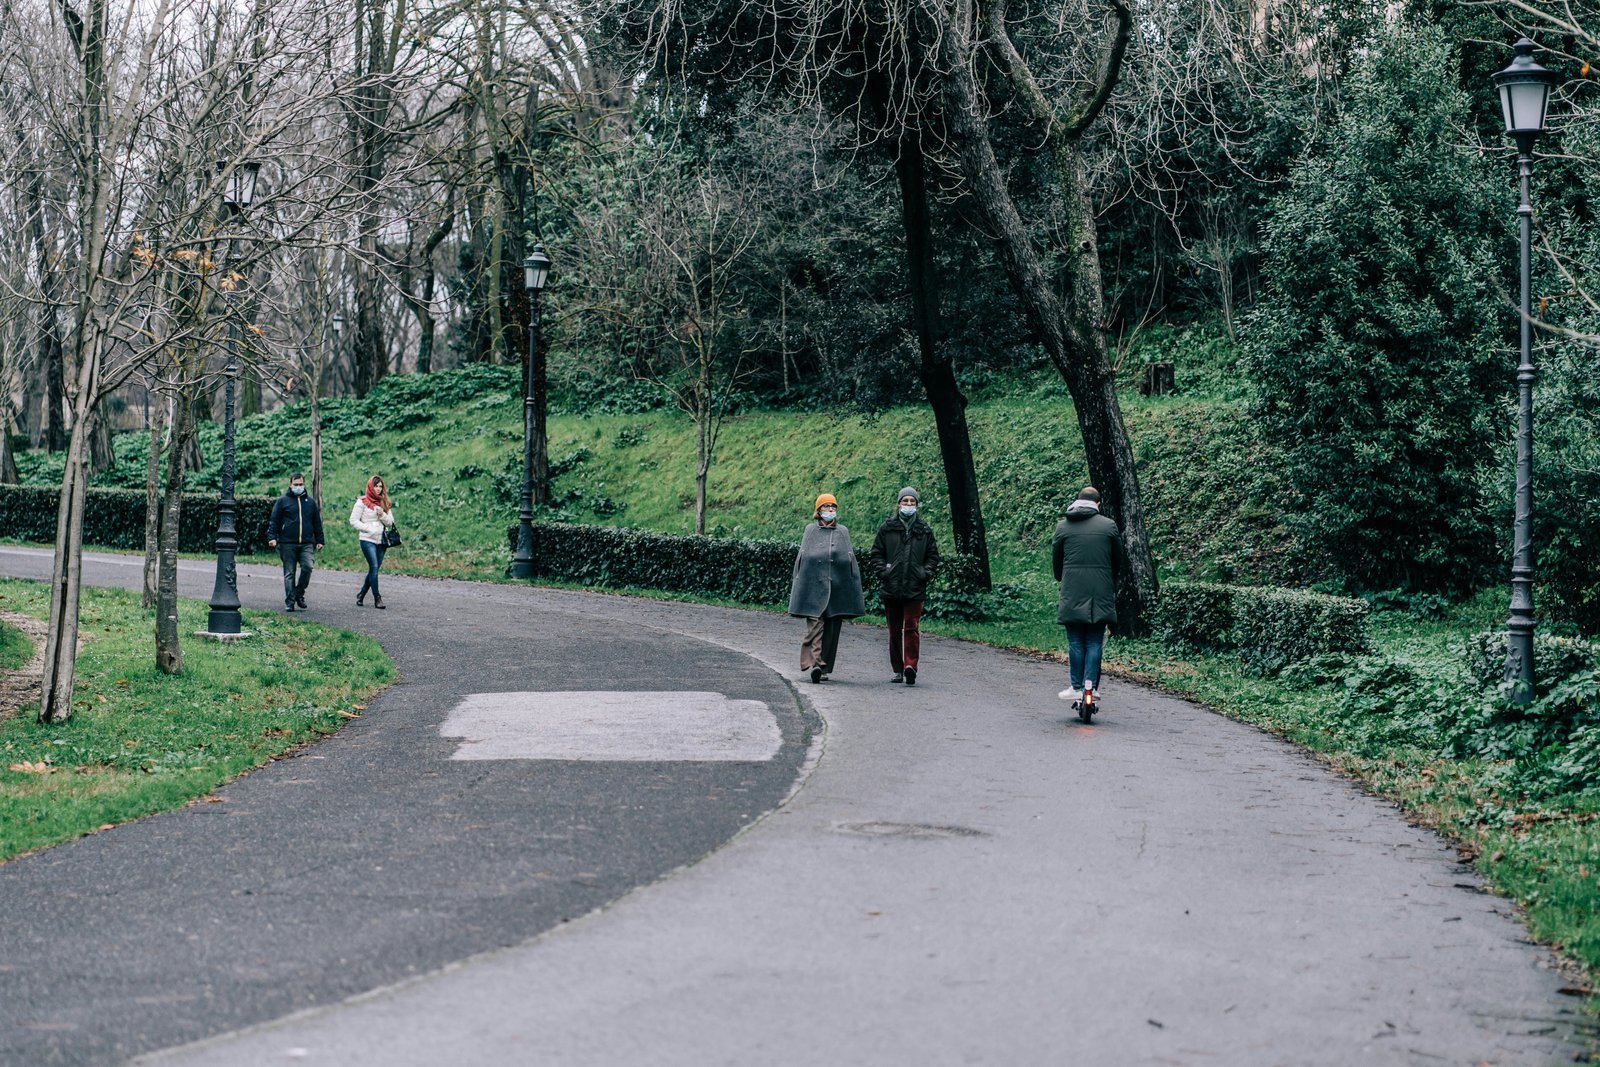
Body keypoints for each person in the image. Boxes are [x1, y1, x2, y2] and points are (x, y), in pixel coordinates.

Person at [1051, 486, 1126, 714]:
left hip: (1073, 590)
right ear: (1098, 505)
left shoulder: (1063, 527)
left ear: (1077, 501)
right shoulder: (1108, 526)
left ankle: (1076, 686)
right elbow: (1118, 560)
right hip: (1100, 592)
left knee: (1075, 642)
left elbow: (1056, 561)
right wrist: (1110, 580)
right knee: (1094, 641)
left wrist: (1062, 577)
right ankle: (1091, 686)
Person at [788, 493, 866, 684]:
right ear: (818, 510)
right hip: (813, 589)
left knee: (832, 629)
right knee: (815, 626)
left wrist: (851, 587)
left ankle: (824, 667)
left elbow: (849, 561)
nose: (830, 510)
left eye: (833, 507)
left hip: (836, 589)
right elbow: (802, 560)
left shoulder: (842, 532)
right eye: (826, 507)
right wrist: (800, 586)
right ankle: (815, 664)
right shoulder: (810, 531)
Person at [868, 486, 940, 686]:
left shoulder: (924, 530)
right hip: (891, 588)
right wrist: (884, 572)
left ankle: (910, 666)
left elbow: (933, 557)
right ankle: (897, 669)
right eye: (905, 501)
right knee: (894, 631)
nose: (909, 505)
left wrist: (924, 574)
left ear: (917, 505)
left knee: (912, 628)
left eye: (912, 502)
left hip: (914, 588)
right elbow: (876, 553)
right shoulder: (887, 528)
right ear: (898, 503)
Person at [266, 472, 324, 612]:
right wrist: (272, 537)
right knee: (289, 573)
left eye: (301, 484)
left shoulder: (310, 503)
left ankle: (299, 593)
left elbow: (317, 522)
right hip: (287, 544)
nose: (298, 487)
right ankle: (290, 601)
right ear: (290, 485)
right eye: (296, 485)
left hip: (306, 543)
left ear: (304, 485)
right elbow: (274, 521)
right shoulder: (282, 501)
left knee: (307, 567)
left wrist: (320, 540)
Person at [349, 475, 395, 610]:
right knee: (374, 567)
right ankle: (377, 598)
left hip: (382, 540)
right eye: (376, 486)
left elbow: (391, 523)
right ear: (370, 486)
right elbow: (353, 520)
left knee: (374, 570)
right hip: (367, 539)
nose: (379, 489)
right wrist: (367, 528)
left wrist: (382, 515)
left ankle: (361, 594)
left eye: (381, 486)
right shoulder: (362, 502)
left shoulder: (384, 502)